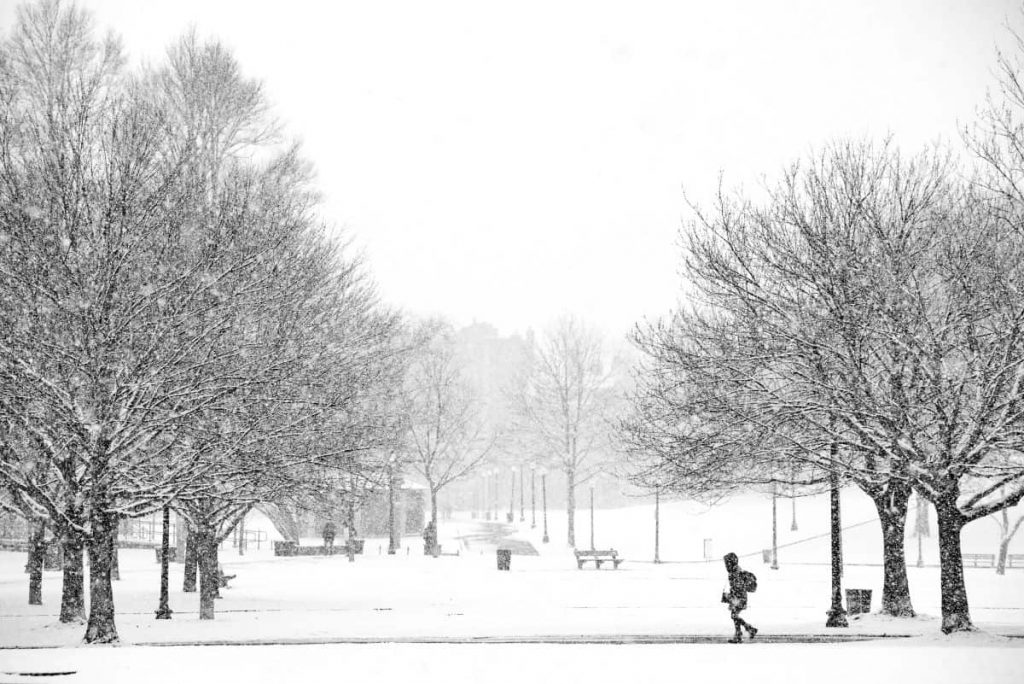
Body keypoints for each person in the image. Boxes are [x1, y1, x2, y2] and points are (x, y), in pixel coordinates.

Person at [722, 552, 758, 643]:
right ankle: (741, 633)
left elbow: (738, 587)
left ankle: (748, 629)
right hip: (737, 597)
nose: (726, 565)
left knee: (734, 616)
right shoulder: (734, 572)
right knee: (734, 616)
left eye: (727, 563)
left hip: (739, 598)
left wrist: (729, 596)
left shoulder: (735, 573)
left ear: (731, 563)